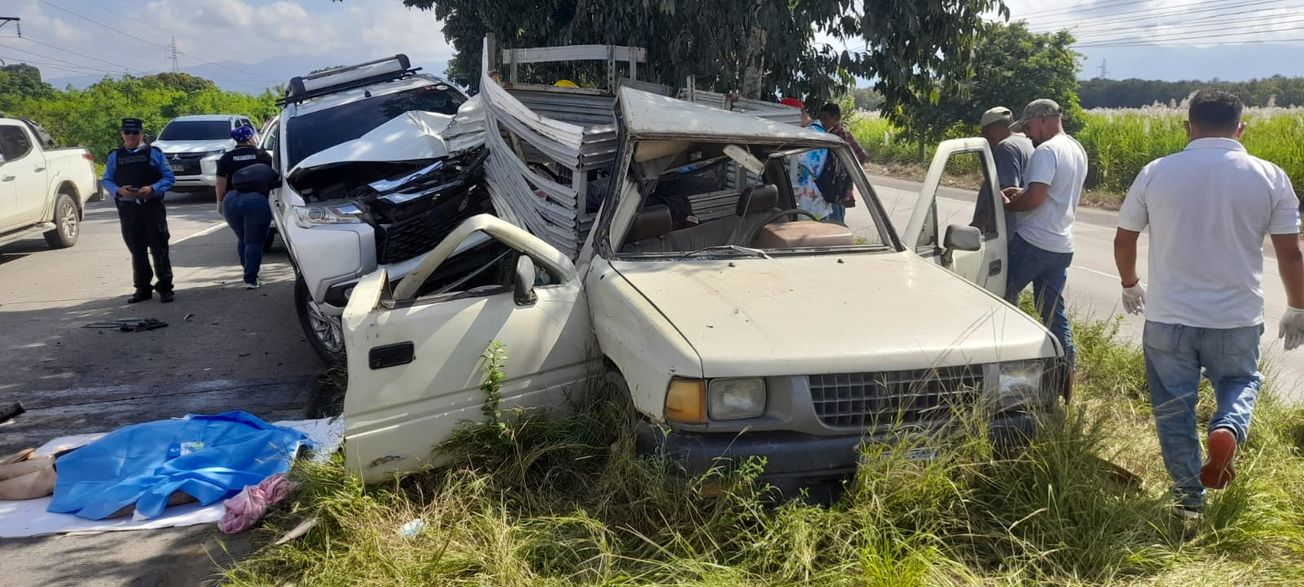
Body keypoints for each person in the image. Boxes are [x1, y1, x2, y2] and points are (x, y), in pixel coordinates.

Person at [1113, 89, 1304, 517]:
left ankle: (1188, 503)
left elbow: (1124, 239)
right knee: (1240, 382)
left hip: (1168, 317)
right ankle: (1228, 429)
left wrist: (1130, 284)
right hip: (1235, 318)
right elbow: (1291, 252)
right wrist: (1298, 306)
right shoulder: (1270, 176)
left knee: (1173, 409)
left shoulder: (1155, 172)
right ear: (1241, 128)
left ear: (1188, 127)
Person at [1002, 99, 1088, 371]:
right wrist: (1024, 193)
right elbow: (1052, 193)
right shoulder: (1076, 149)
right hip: (1061, 244)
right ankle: (1065, 371)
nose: (1028, 134)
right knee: (1052, 312)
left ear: (1042, 118)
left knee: (999, 299)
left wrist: (1008, 204)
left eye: (1028, 127)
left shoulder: (1046, 151)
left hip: (1033, 241)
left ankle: (1006, 361)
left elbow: (1035, 199)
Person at [101, 118, 177, 304]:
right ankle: (142, 289)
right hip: (128, 209)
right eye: (127, 133)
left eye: (135, 133)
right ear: (122, 135)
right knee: (136, 249)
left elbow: (169, 178)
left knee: (159, 248)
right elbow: (107, 180)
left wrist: (152, 189)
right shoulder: (115, 156)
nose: (131, 136)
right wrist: (118, 191)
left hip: (151, 207)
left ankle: (165, 287)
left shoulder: (154, 153)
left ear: (142, 134)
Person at [973, 106, 1034, 235]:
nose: (984, 137)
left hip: (1002, 232)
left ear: (993, 129)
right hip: (1020, 228)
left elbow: (1004, 194)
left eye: (985, 133)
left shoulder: (1006, 147)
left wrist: (977, 225)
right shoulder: (1026, 142)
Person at [222, 162, 279, 289]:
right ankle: (251, 279)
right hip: (255, 201)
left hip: (229, 199)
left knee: (243, 240)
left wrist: (219, 202)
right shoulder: (269, 164)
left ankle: (248, 271)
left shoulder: (234, 164)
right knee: (254, 242)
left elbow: (220, 180)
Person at [817, 102, 867, 224]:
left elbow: (861, 156)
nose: (822, 122)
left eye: (826, 119)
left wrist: (846, 172)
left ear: (836, 119)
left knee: (836, 220)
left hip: (839, 186)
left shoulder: (842, 135)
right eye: (821, 119)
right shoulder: (828, 135)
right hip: (830, 185)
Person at [215, 124, 271, 210]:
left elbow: (220, 182)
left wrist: (220, 202)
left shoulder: (226, 157)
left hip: (233, 200)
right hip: (259, 199)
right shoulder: (262, 155)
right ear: (250, 139)